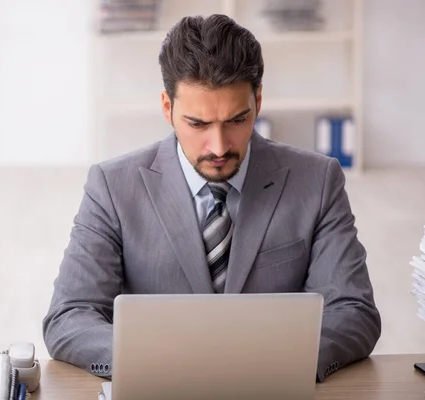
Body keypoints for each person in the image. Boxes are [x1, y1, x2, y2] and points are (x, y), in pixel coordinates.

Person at [42, 14, 381, 382]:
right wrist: (152, 362)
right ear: (167, 108)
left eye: (237, 120)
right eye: (198, 124)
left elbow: (353, 310)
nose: (218, 147)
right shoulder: (111, 187)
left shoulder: (318, 180)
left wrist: (281, 361)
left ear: (259, 101)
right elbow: (69, 315)